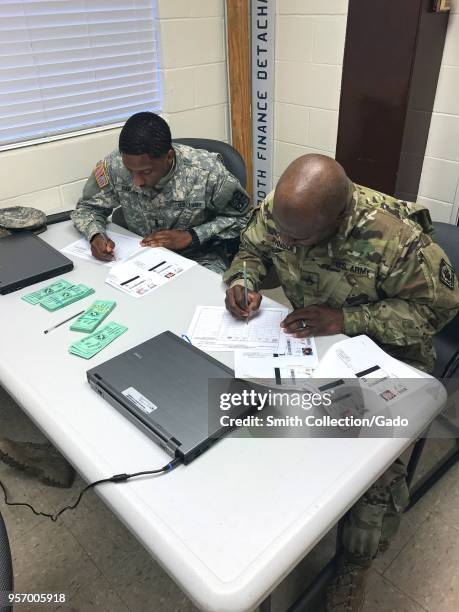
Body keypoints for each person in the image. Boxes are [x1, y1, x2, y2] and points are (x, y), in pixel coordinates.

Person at [223, 154, 459, 611]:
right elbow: (252, 250)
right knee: (245, 411)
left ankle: (354, 564)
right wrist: (245, 280)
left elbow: (436, 314)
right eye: (284, 231)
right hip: (309, 344)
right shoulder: (281, 210)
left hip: (390, 358)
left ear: (339, 217)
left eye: (300, 237)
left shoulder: (398, 241)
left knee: (371, 472)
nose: (288, 241)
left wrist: (347, 319)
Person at [71, 112, 251, 274]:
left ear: (169, 157)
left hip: (199, 258)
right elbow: (88, 208)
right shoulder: (115, 165)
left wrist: (192, 236)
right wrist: (95, 235)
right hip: (139, 256)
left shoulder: (206, 172)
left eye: (146, 172)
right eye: (130, 171)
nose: (137, 181)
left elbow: (246, 219)